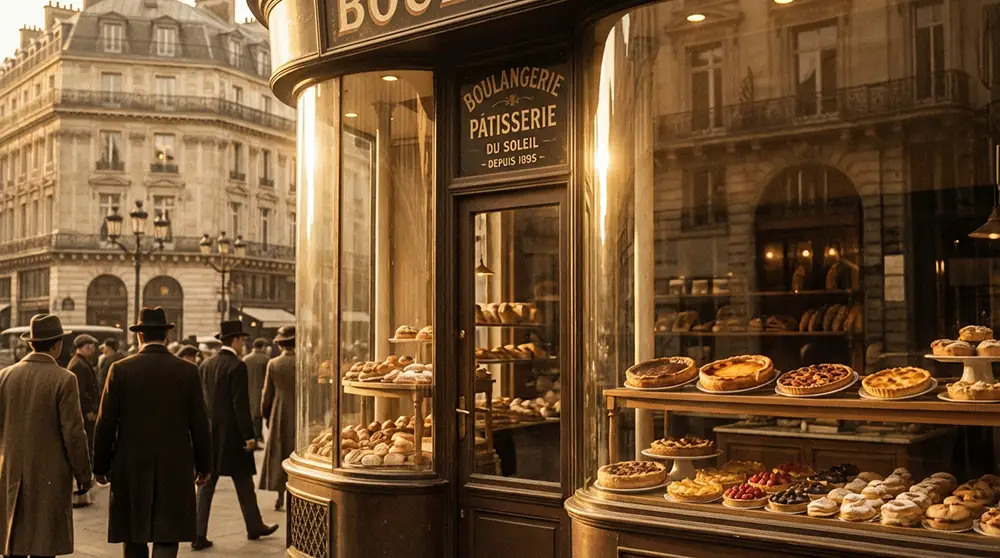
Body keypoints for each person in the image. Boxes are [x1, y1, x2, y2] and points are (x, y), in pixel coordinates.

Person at [92, 308, 213, 558]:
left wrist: (100, 467)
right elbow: (200, 423)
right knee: (168, 532)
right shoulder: (187, 370)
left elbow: (105, 423)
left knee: (134, 533)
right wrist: (204, 465)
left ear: (139, 336)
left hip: (130, 462)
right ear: (166, 336)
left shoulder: (120, 369)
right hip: (175, 462)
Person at [0, 314, 92, 558]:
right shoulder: (64, 379)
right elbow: (74, 433)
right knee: (44, 545)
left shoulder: (5, 376)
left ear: (31, 343)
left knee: (14, 542)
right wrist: (84, 475)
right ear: (57, 344)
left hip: (11, 473)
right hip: (49, 476)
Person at [194, 320, 278, 550]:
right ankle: (254, 525)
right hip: (233, 437)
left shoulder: (206, 365)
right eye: (242, 340)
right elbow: (240, 405)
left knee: (206, 485)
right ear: (236, 340)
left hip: (211, 434)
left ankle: (198, 533)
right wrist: (249, 436)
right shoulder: (237, 366)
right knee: (243, 482)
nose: (244, 344)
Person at [259, 325, 296, 511]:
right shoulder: (303, 362)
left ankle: (280, 494)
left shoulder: (273, 364)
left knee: (279, 451)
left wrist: (266, 415)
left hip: (279, 412)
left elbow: (267, 395)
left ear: (281, 345)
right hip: (298, 412)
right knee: (296, 451)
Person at [68, 334, 100, 460]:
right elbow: (80, 392)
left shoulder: (81, 362)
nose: (93, 351)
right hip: (86, 413)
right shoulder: (78, 365)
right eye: (91, 348)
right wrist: (90, 410)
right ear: (85, 347)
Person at [243, 338, 270, 446]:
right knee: (258, 414)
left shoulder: (245, 359)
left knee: (251, 414)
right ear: (262, 347)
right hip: (261, 390)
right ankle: (258, 436)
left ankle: (253, 436)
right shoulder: (266, 359)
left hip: (248, 390)